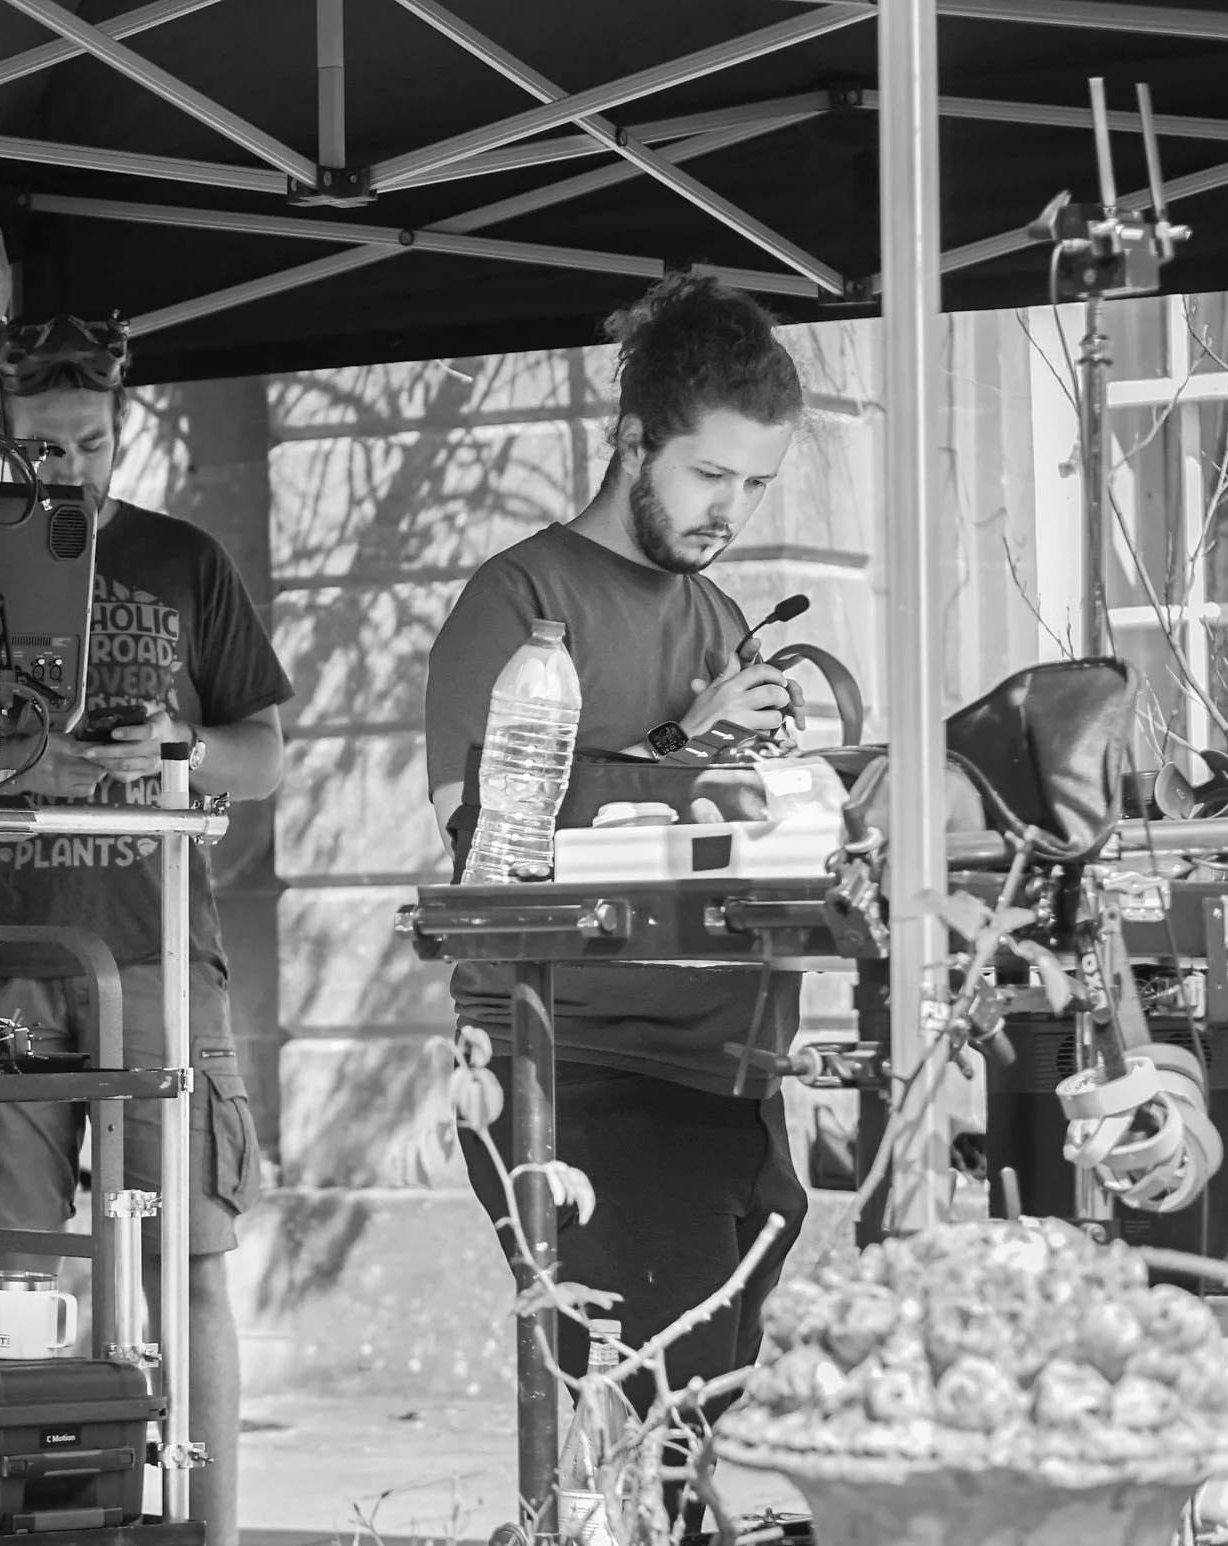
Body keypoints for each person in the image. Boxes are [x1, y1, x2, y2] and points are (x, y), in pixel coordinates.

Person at [0, 314, 291, 1546]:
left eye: (94, 444)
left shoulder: (183, 560)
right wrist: (13, 755)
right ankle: (30, 1523)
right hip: (0, 956)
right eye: (45, 452)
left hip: (157, 940)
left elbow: (261, 756)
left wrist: (178, 750)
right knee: (11, 1268)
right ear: (0, 441)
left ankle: (204, 1530)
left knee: (191, 1263)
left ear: (124, 429)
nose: (72, 472)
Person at [424, 274, 813, 1425]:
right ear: (633, 442)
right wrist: (684, 743)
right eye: (707, 475)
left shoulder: (718, 618)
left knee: (708, 1448)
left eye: (754, 484)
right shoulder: (517, 600)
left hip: (732, 1082)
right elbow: (486, 835)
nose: (727, 510)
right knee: (661, 1436)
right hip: (576, 1071)